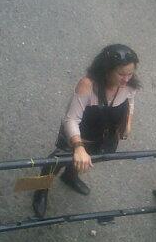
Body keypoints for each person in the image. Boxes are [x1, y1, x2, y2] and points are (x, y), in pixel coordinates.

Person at [32, 44, 141, 218]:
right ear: (107, 69)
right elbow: (71, 119)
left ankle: (70, 176)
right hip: (78, 135)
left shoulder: (130, 85)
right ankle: (41, 188)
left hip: (104, 136)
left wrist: (128, 122)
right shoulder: (88, 85)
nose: (126, 79)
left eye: (130, 73)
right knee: (56, 161)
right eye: (121, 74)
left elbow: (131, 101)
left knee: (88, 159)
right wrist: (78, 146)